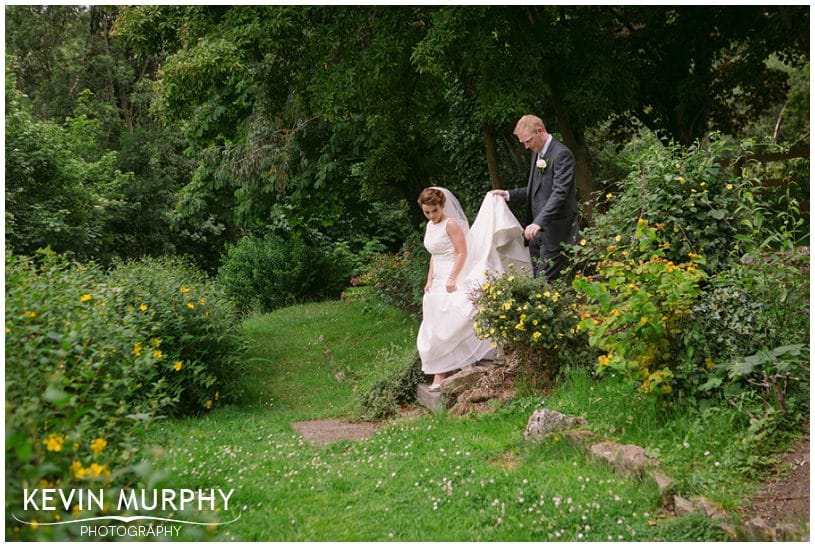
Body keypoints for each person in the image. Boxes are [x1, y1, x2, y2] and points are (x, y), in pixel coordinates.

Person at [416, 187, 530, 391]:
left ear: (442, 206)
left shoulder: (450, 225)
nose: (432, 216)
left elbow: (462, 252)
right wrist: (429, 279)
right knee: (433, 325)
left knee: (450, 322)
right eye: (427, 212)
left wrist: (452, 278)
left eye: (435, 210)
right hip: (437, 278)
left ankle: (446, 372)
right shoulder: (429, 226)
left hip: (454, 274)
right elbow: (434, 254)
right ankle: (439, 373)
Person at [490, 114, 580, 280]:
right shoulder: (537, 153)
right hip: (537, 236)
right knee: (541, 285)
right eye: (523, 142)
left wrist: (538, 222)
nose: (526, 146)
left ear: (540, 131)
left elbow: (559, 194)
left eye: (528, 141)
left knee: (543, 285)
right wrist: (509, 194)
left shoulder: (561, 154)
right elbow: (537, 189)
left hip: (556, 232)